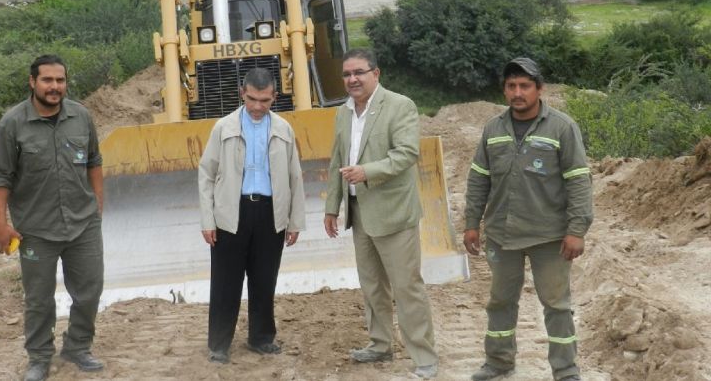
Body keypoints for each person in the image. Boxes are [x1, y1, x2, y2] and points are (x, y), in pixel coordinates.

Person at [464, 57, 593, 381]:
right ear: (504, 90)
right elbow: (479, 178)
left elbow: (579, 180)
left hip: (548, 236)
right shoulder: (493, 129)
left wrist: (577, 230)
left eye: (524, 86)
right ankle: (498, 362)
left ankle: (566, 371)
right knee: (500, 301)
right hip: (502, 234)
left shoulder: (562, 127)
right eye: (511, 86)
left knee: (556, 305)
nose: (517, 92)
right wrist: (471, 223)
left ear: (539, 89)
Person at [0, 55, 105, 381]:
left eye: (60, 81)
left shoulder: (81, 116)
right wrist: (0, 223)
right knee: (39, 299)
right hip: (35, 229)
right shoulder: (12, 125)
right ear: (32, 82)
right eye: (48, 80)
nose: (55, 87)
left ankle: (78, 347)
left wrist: (98, 203)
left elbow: (94, 160)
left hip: (83, 224)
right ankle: (39, 358)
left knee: (90, 291)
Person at [323, 49, 438, 379]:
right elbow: (336, 162)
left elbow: (406, 154)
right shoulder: (343, 114)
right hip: (360, 214)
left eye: (359, 72)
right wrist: (333, 207)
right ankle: (380, 345)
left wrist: (367, 172)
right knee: (372, 286)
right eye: (346, 74)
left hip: (394, 215)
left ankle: (425, 358)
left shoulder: (400, 106)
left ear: (377, 73)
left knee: (406, 287)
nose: (352, 79)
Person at [198, 67, 305, 364]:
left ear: (275, 97)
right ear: (242, 93)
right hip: (231, 213)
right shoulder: (223, 127)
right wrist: (208, 219)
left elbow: (295, 176)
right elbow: (206, 174)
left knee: (264, 280)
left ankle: (261, 338)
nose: (258, 107)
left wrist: (294, 221)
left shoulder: (284, 129)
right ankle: (219, 343)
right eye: (253, 99)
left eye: (266, 100)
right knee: (225, 282)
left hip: (271, 214)